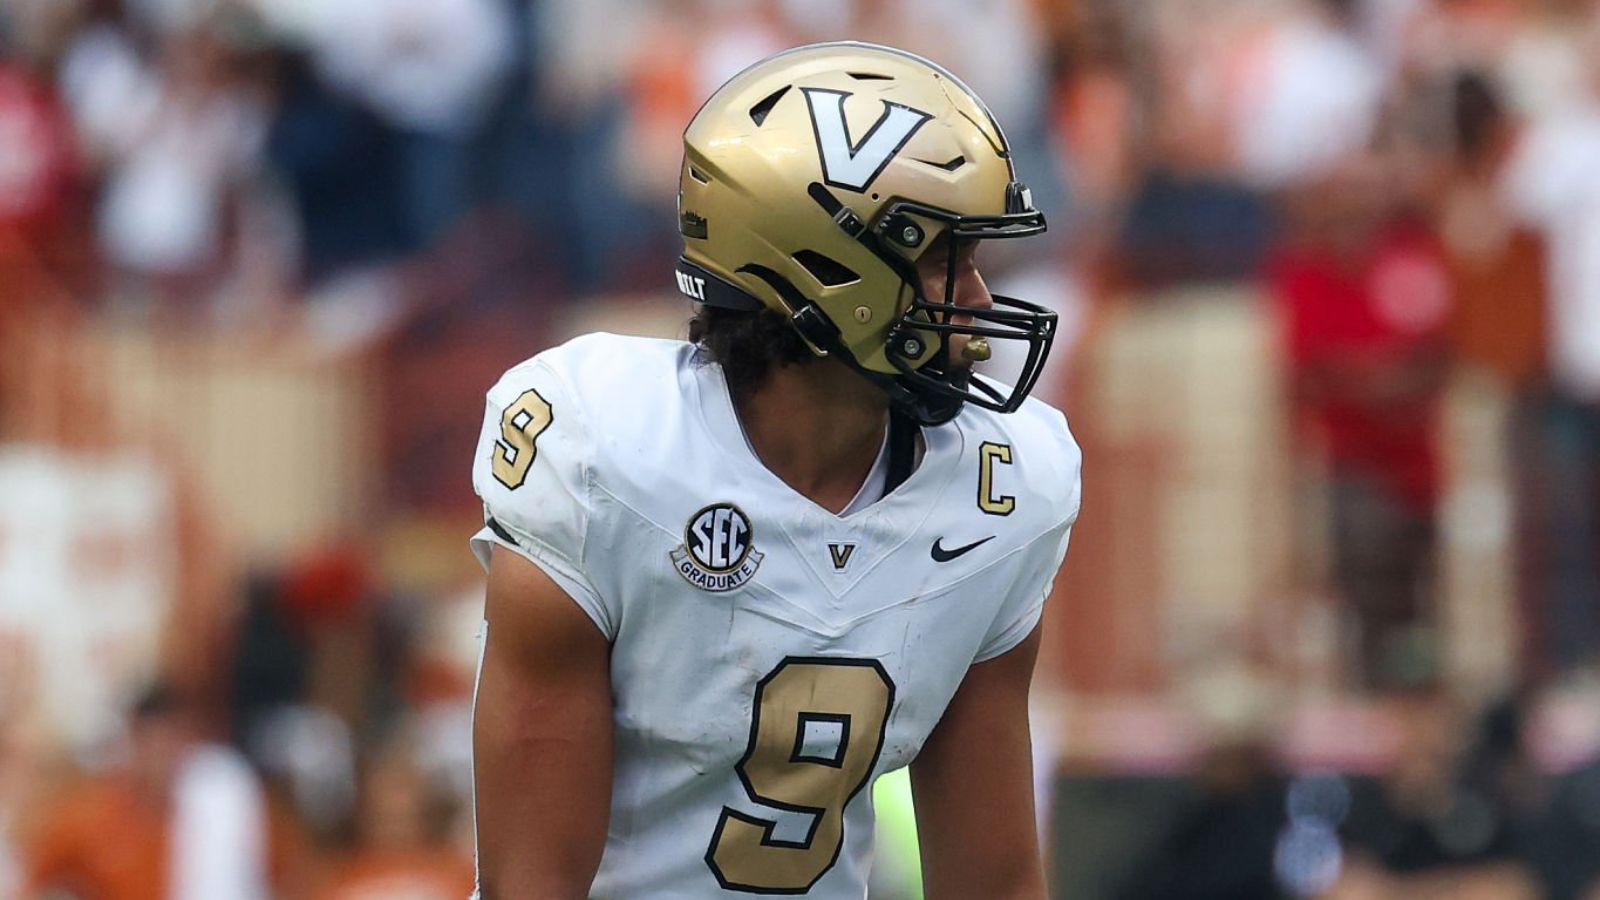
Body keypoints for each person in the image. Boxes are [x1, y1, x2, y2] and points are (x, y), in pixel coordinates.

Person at [469, 42, 1082, 898]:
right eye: (948, 258)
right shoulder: (604, 456)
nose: (977, 301)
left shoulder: (1002, 488)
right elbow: (530, 886)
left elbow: (994, 882)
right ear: (828, 266)